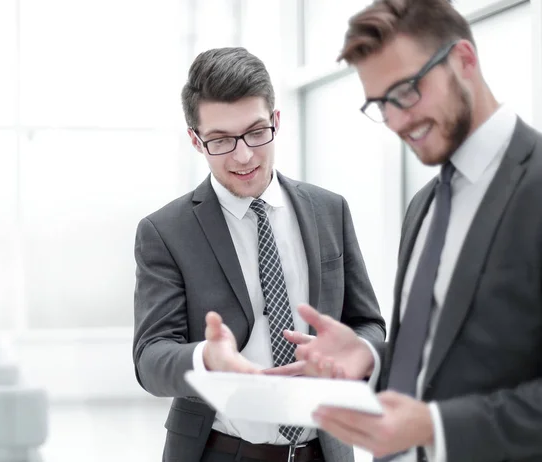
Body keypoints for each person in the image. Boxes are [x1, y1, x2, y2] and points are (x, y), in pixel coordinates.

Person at [283, 0, 542, 461]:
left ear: (464, 59)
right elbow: (445, 358)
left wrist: (436, 426)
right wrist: (373, 358)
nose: (398, 121)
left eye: (406, 91)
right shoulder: (423, 206)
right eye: (381, 105)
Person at [132, 47, 386, 462]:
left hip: (326, 450)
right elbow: (150, 357)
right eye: (220, 140)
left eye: (255, 132)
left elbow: (368, 322)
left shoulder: (330, 210)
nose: (244, 155)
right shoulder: (165, 232)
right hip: (219, 451)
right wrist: (206, 359)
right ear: (197, 141)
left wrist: (351, 356)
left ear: (276, 121)